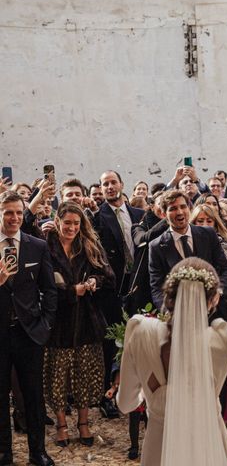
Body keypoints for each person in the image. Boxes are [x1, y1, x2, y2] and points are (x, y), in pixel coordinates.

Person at [118, 250, 227, 465]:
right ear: (214, 298)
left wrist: (151, 398)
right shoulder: (220, 342)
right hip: (210, 446)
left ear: (168, 294)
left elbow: (125, 404)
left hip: (157, 450)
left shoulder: (141, 332)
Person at [44, 202, 115, 447]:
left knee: (84, 375)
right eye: (67, 223)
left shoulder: (88, 245)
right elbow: (42, 285)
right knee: (57, 377)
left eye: (76, 223)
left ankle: (83, 423)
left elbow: (108, 275)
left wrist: (94, 281)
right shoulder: (46, 245)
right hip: (57, 324)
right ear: (58, 221)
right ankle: (62, 425)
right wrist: (71, 291)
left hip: (86, 321)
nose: (72, 227)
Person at [0, 190, 57, 466]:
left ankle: (38, 452)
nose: (14, 218)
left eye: (19, 212)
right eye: (8, 212)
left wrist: (44, 325)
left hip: (29, 332)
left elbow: (49, 288)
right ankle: (4, 453)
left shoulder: (37, 245)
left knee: (34, 396)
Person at [90, 170, 145, 418]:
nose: (110, 187)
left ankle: (139, 397)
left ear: (122, 184)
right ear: (101, 189)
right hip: (112, 290)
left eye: (113, 182)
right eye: (105, 184)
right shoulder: (96, 217)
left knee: (139, 342)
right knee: (111, 343)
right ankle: (108, 396)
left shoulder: (139, 215)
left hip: (138, 286)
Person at [148, 190, 227, 310]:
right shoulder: (156, 247)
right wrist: (170, 312)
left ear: (189, 208)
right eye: (173, 208)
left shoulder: (208, 234)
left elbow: (225, 270)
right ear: (163, 214)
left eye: (183, 206)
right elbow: (157, 288)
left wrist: (218, 292)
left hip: (214, 311)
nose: (179, 212)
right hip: (179, 314)